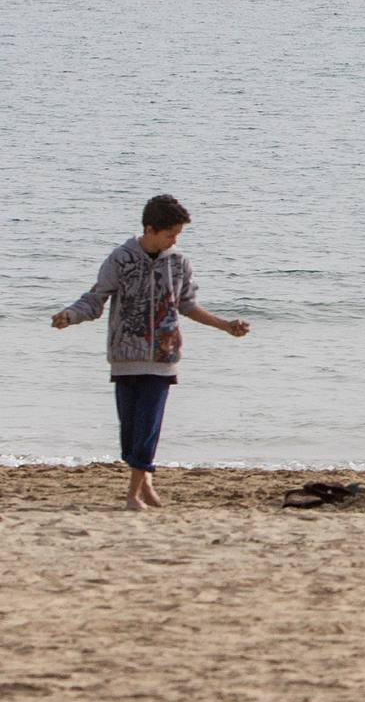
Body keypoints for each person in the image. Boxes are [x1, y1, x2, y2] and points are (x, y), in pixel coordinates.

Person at [49, 194, 252, 511]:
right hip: (125, 357)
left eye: (177, 235)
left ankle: (132, 496)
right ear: (149, 228)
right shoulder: (120, 258)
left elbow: (187, 305)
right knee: (130, 435)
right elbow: (95, 298)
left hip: (162, 358)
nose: (174, 241)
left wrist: (225, 325)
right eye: (170, 234)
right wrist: (70, 316)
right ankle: (146, 485)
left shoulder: (178, 262)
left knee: (148, 427)